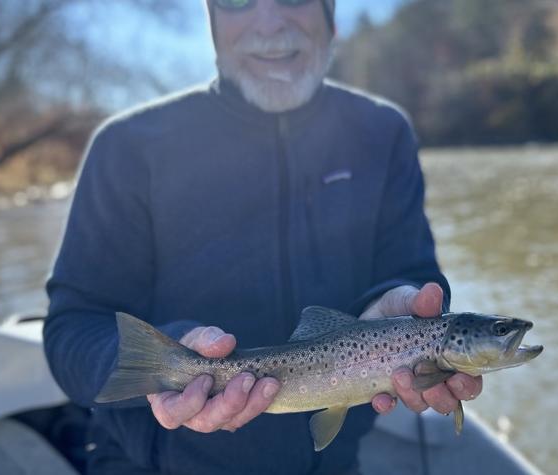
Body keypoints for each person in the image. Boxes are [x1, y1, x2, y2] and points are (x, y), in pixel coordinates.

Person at [43, 0, 483, 474]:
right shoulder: (126, 147)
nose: (269, 23)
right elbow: (72, 330)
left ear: (331, 16)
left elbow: (411, 272)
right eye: (237, 1)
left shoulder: (383, 132)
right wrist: (172, 362)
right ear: (210, 19)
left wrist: (395, 307)